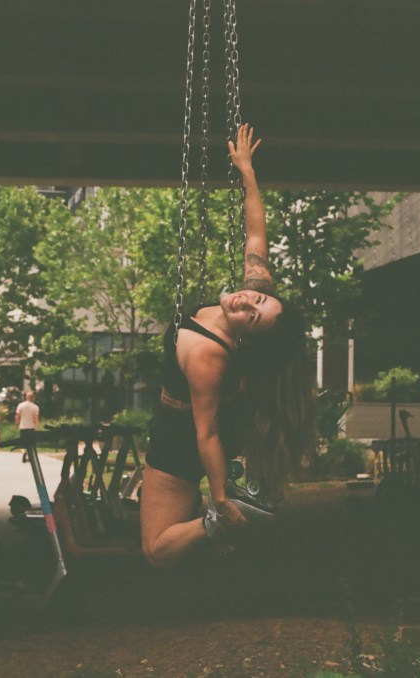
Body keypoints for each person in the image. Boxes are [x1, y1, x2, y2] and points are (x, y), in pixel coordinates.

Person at [140, 123, 316, 567]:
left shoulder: (208, 354)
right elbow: (256, 235)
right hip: (203, 422)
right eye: (256, 298)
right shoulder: (254, 294)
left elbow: (208, 431)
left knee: (157, 551)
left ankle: (215, 520)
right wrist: (247, 171)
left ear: (247, 335)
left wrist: (217, 500)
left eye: (251, 316)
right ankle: (226, 503)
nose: (245, 302)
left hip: (182, 436)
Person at [14, 390, 40, 463]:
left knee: (23, 443)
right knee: (31, 443)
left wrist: (16, 424)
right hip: (31, 428)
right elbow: (36, 419)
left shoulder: (21, 405)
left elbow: (17, 416)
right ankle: (30, 456)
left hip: (23, 427)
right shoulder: (35, 407)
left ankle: (24, 453)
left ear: (26, 397)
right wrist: (38, 427)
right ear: (33, 397)